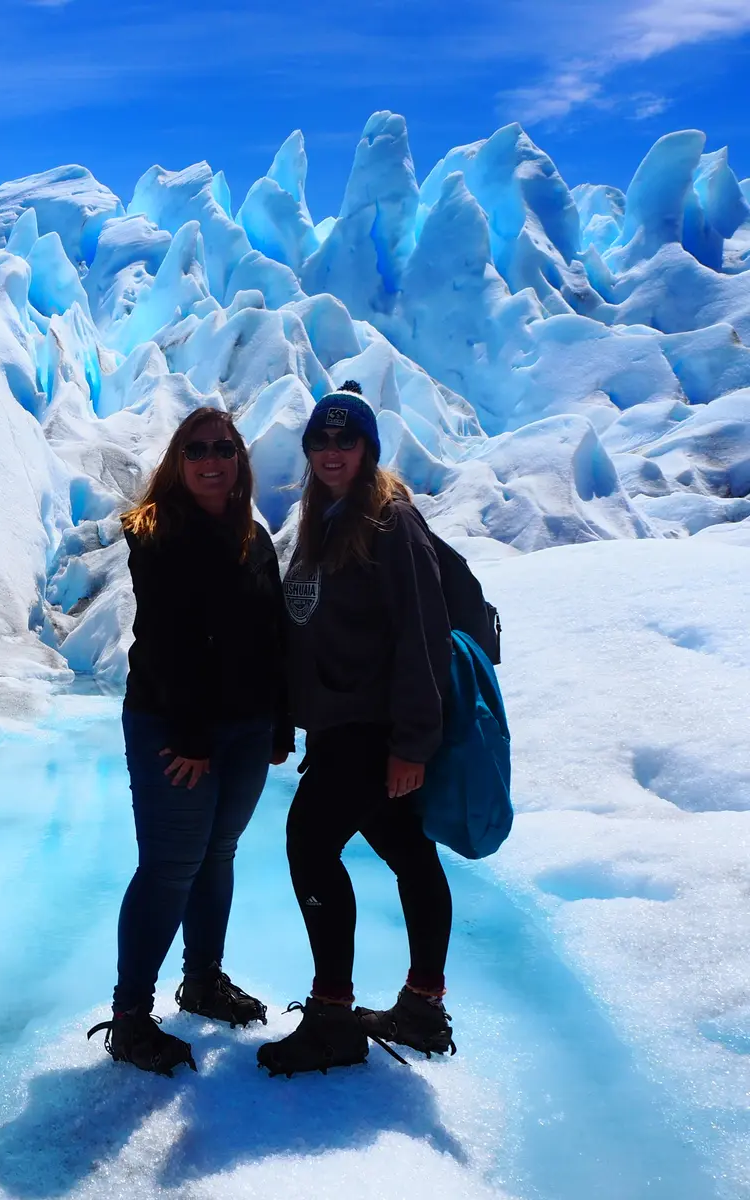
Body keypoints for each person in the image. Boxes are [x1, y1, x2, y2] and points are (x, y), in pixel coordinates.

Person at [256, 381, 457, 1079]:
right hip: (342, 728)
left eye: (346, 439)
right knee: (407, 852)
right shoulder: (328, 519)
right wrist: (287, 718)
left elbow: (420, 633)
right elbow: (304, 635)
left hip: (372, 733)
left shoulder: (388, 522)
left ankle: (333, 1019)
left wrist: (412, 743)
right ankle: (422, 1009)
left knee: (310, 849)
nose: (332, 451)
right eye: (321, 440)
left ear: (369, 447)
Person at [88, 407, 294, 1076]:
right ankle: (129, 1019)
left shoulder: (253, 538)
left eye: (225, 448)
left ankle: (203, 981)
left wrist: (279, 719)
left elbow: (270, 637)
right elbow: (175, 644)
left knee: (217, 855)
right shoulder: (160, 535)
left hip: (243, 728)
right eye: (198, 449)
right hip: (176, 731)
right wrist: (193, 738)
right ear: (178, 461)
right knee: (171, 866)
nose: (213, 459)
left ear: (240, 461)